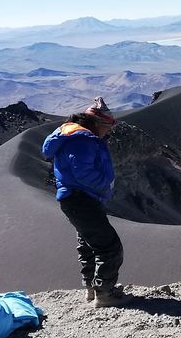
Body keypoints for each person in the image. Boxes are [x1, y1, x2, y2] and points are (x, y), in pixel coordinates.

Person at [42, 97, 128, 308]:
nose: (108, 132)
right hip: (82, 198)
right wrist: (104, 184)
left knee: (89, 243)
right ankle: (104, 294)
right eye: (107, 127)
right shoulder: (83, 140)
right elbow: (82, 172)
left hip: (76, 198)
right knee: (109, 246)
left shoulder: (75, 137)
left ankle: (93, 288)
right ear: (98, 123)